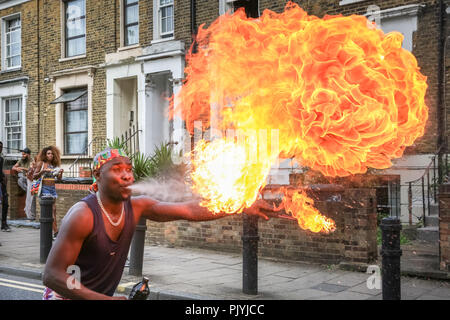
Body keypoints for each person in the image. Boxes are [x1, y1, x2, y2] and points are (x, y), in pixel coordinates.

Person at [42, 148, 280, 300]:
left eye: (129, 170)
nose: (127, 175)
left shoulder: (136, 206)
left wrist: (239, 204)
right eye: (117, 170)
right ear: (98, 176)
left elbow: (188, 209)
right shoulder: (83, 215)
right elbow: (53, 275)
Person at [33, 146, 63, 238]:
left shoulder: (54, 166)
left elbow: (59, 179)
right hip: (45, 189)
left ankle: (53, 232)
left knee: (54, 211)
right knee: (51, 211)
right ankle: (56, 232)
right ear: (45, 155)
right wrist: (43, 171)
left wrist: (60, 173)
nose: (51, 155)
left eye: (52, 154)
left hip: (52, 189)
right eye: (48, 153)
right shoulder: (41, 164)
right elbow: (34, 176)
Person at [12, 147, 35, 220]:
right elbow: (13, 167)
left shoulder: (32, 160)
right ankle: (27, 190)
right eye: (22, 154)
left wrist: (21, 168)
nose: (23, 156)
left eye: (24, 154)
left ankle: (29, 191)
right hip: (25, 178)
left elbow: (30, 169)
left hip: (31, 178)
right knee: (20, 180)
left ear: (28, 155)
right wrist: (17, 168)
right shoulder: (21, 160)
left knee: (31, 194)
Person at [0, 141, 10, 232]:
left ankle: (4, 223)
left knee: (6, 203)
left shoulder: (1, 159)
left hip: (2, 184)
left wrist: (3, 176)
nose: (0, 148)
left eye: (1, 147)